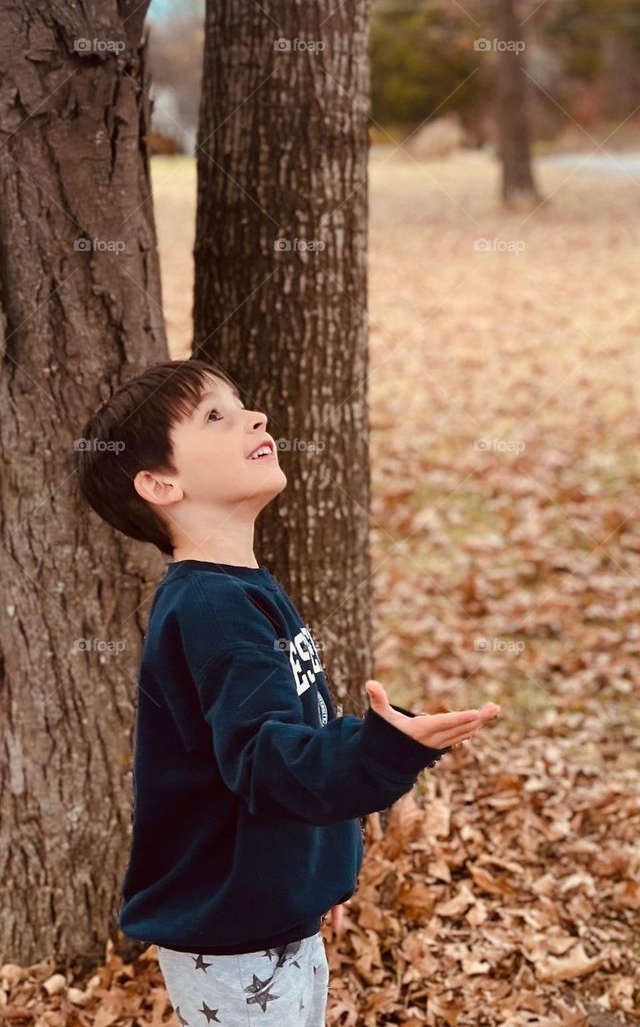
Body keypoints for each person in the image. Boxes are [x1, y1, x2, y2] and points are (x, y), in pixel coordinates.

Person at [73, 358, 501, 1027]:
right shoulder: (213, 610)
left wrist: (313, 872)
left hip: (273, 914)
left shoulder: (239, 588)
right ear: (160, 483)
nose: (255, 417)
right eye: (215, 416)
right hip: (232, 941)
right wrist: (383, 753)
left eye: (242, 405)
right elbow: (268, 759)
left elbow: (285, 738)